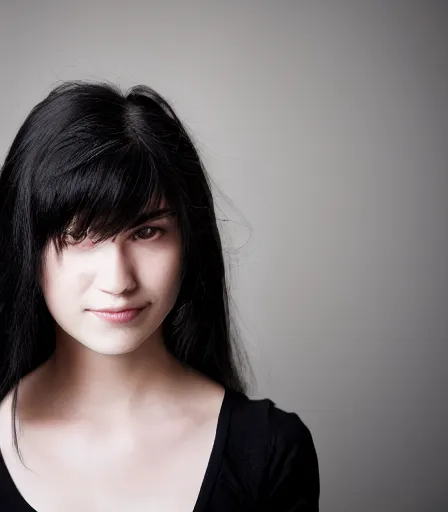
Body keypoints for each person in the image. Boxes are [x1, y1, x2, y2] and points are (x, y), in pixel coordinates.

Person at [0, 81, 320, 511]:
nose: (118, 280)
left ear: (189, 242)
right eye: (78, 235)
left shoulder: (268, 452)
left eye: (146, 232)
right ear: (24, 246)